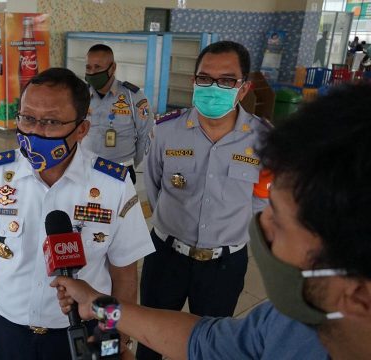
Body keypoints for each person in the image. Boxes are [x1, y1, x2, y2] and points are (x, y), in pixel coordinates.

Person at [54, 82, 371, 360]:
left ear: (358, 295)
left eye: (280, 224)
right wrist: (98, 305)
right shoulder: (292, 322)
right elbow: (202, 342)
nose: (261, 227)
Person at [0, 67, 155, 360]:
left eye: (51, 122)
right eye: (28, 118)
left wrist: (117, 338)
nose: (34, 131)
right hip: (9, 329)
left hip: (84, 330)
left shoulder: (113, 185)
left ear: (82, 129)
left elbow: (124, 274)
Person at [138, 41, 272, 359]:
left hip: (224, 264)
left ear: (243, 89)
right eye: (204, 78)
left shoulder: (265, 139)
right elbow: (154, 186)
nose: (213, 87)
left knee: (211, 347)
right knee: (150, 339)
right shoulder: (166, 131)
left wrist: (230, 224)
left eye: (226, 80)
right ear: (193, 81)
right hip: (165, 255)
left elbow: (262, 200)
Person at [82, 44, 153, 184]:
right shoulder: (80, 95)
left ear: (113, 68)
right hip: (86, 167)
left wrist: (130, 164)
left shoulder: (133, 96)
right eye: (88, 67)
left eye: (98, 67)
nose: (92, 72)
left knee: (120, 206)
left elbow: (146, 135)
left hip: (120, 169)